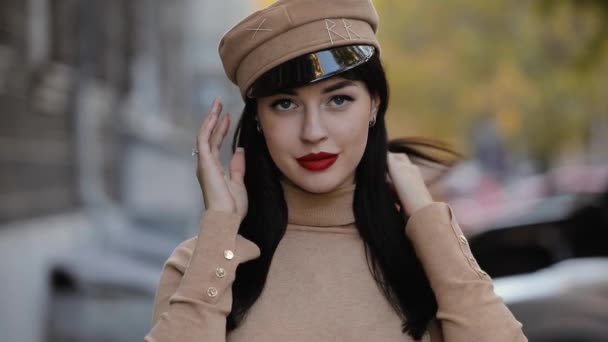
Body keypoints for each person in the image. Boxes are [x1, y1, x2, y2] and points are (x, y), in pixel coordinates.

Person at [145, 0, 528, 341]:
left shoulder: (424, 259)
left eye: (339, 100)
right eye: (285, 104)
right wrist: (220, 228)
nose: (313, 132)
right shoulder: (203, 266)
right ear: (259, 120)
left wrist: (429, 221)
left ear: (375, 104)